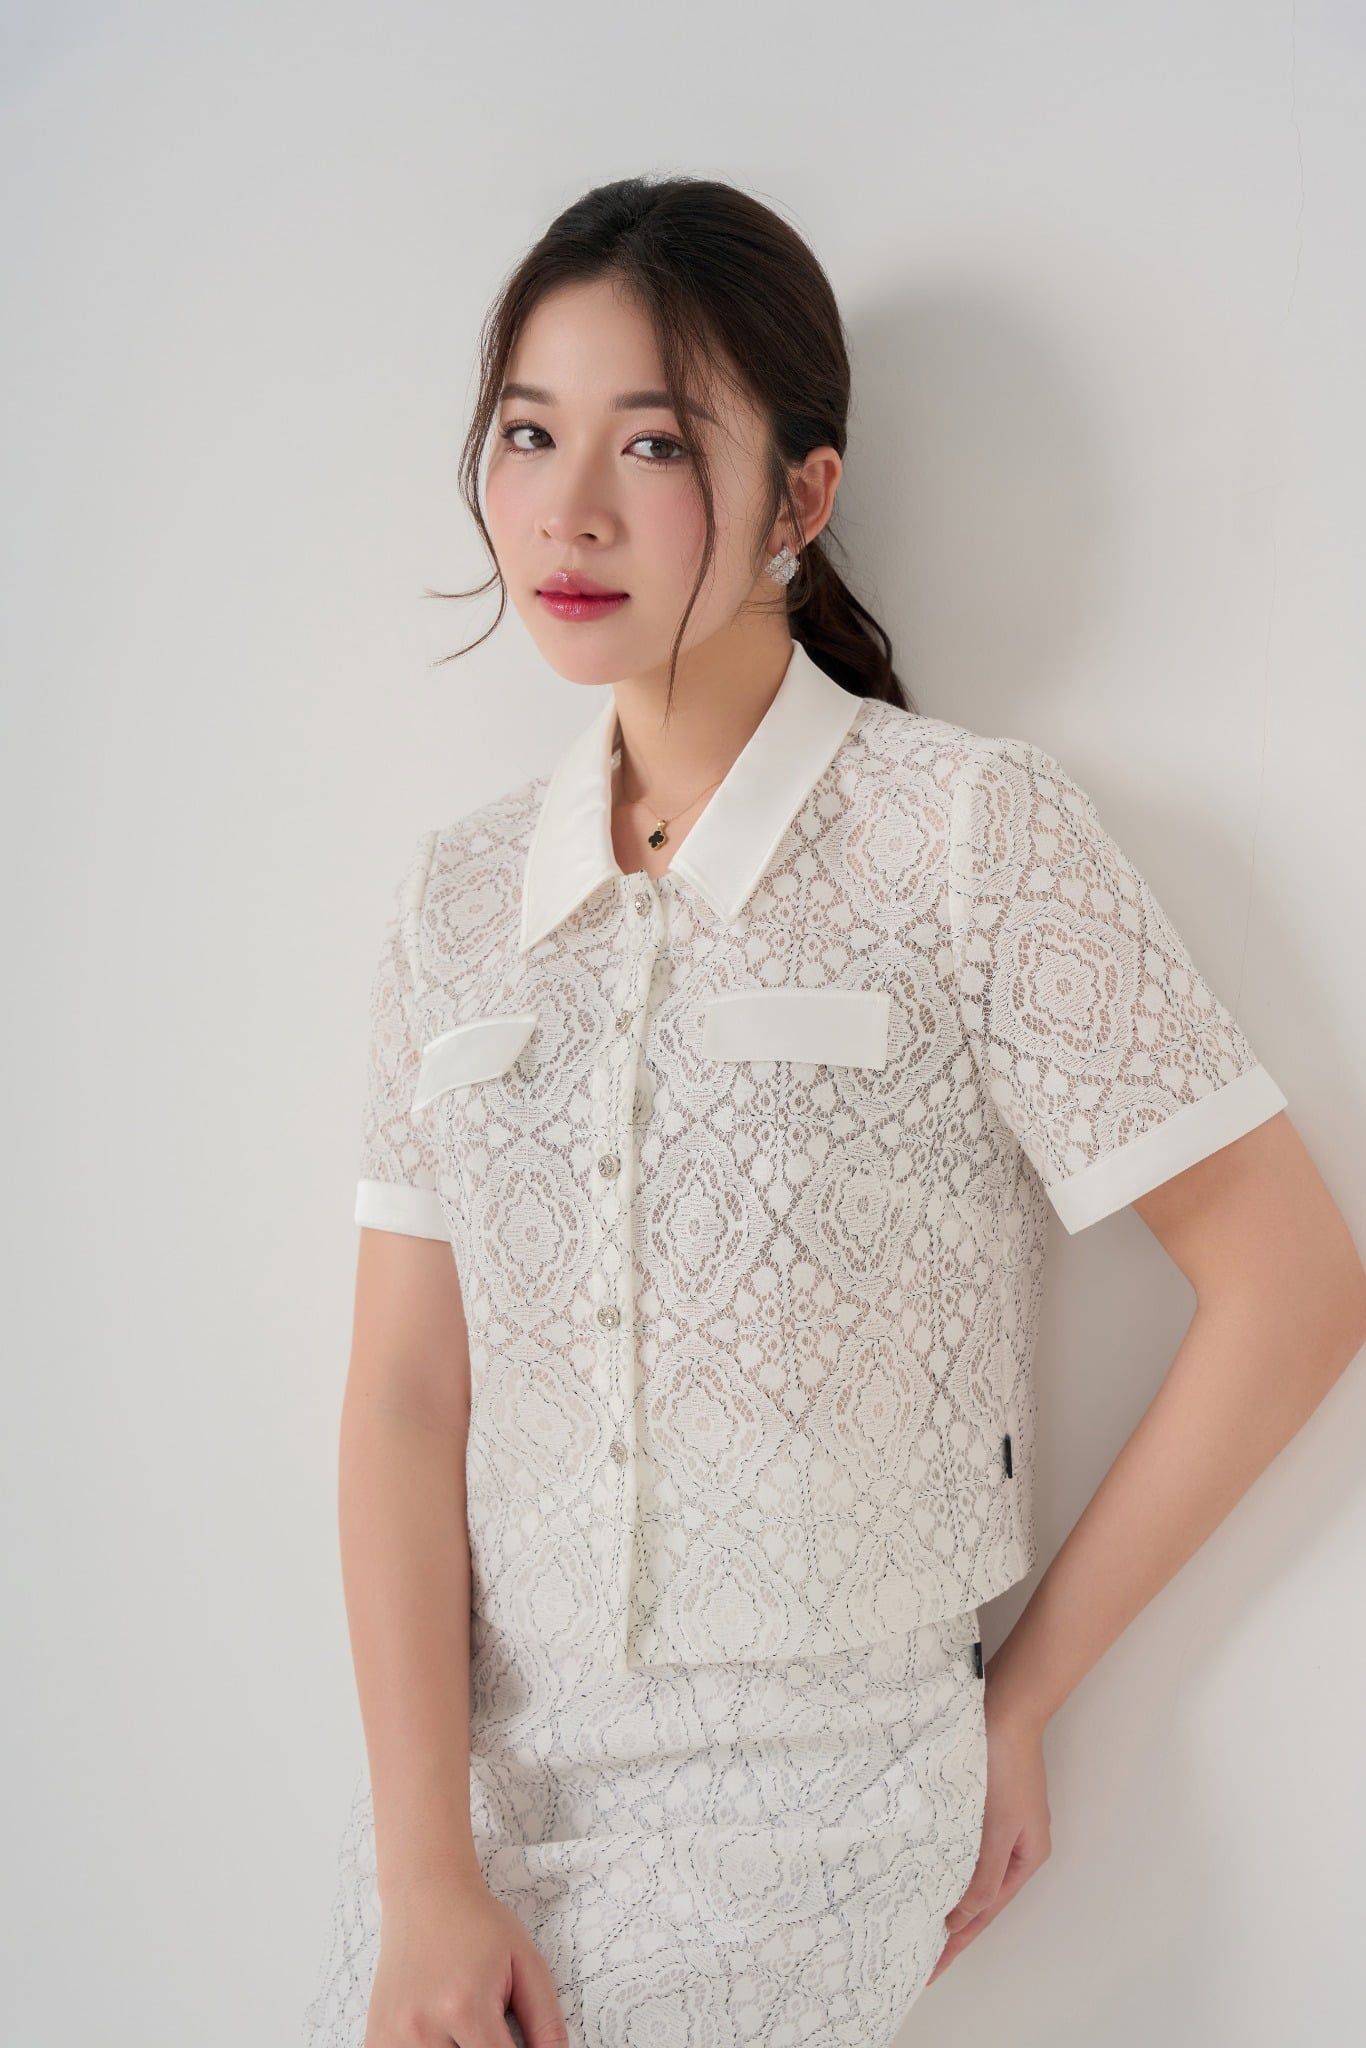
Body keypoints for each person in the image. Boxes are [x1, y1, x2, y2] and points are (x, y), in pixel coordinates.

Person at [302, 175, 1366, 2048]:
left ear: (799, 497)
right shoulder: (450, 904)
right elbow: (403, 1399)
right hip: (475, 1823)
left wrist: (1014, 1704)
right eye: (528, 434)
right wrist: (422, 1876)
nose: (567, 508)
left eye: (652, 444)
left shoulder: (962, 835)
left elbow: (1290, 1285)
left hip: (827, 1807)